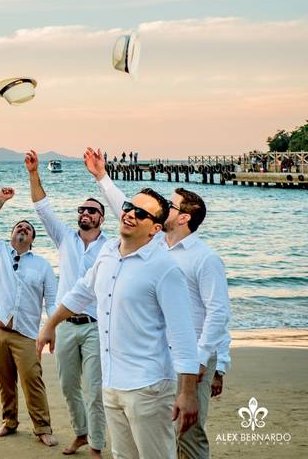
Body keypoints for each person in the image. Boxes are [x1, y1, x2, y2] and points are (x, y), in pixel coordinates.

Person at [84, 148, 231, 459]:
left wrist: (204, 362)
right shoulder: (155, 248)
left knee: (189, 437)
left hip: (193, 361)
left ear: (183, 216)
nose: (163, 206)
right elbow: (127, 210)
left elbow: (218, 313)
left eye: (171, 204)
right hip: (161, 363)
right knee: (161, 438)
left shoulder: (205, 258)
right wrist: (102, 177)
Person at [37, 187, 201, 459]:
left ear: (155, 228)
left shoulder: (165, 269)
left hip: (148, 388)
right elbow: (81, 292)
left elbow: (183, 336)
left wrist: (188, 393)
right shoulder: (108, 253)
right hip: (111, 384)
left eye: (141, 213)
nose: (130, 214)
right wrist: (50, 324)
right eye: (128, 207)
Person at [25, 150, 107, 456]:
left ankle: (97, 445)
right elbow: (42, 208)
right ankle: (82, 434)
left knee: (95, 390)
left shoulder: (111, 246)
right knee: (69, 387)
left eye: (91, 210)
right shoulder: (65, 239)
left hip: (96, 325)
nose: (85, 213)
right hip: (65, 326)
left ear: (101, 217)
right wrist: (33, 173)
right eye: (81, 210)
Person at [0, 187, 58, 447]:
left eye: (28, 228)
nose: (23, 229)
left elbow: (52, 302)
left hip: (26, 333)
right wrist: (1, 200)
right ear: (11, 234)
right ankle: (9, 421)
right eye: (18, 226)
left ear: (33, 238)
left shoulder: (43, 265)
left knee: (32, 379)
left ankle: (43, 428)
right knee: (4, 381)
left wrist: (51, 328)